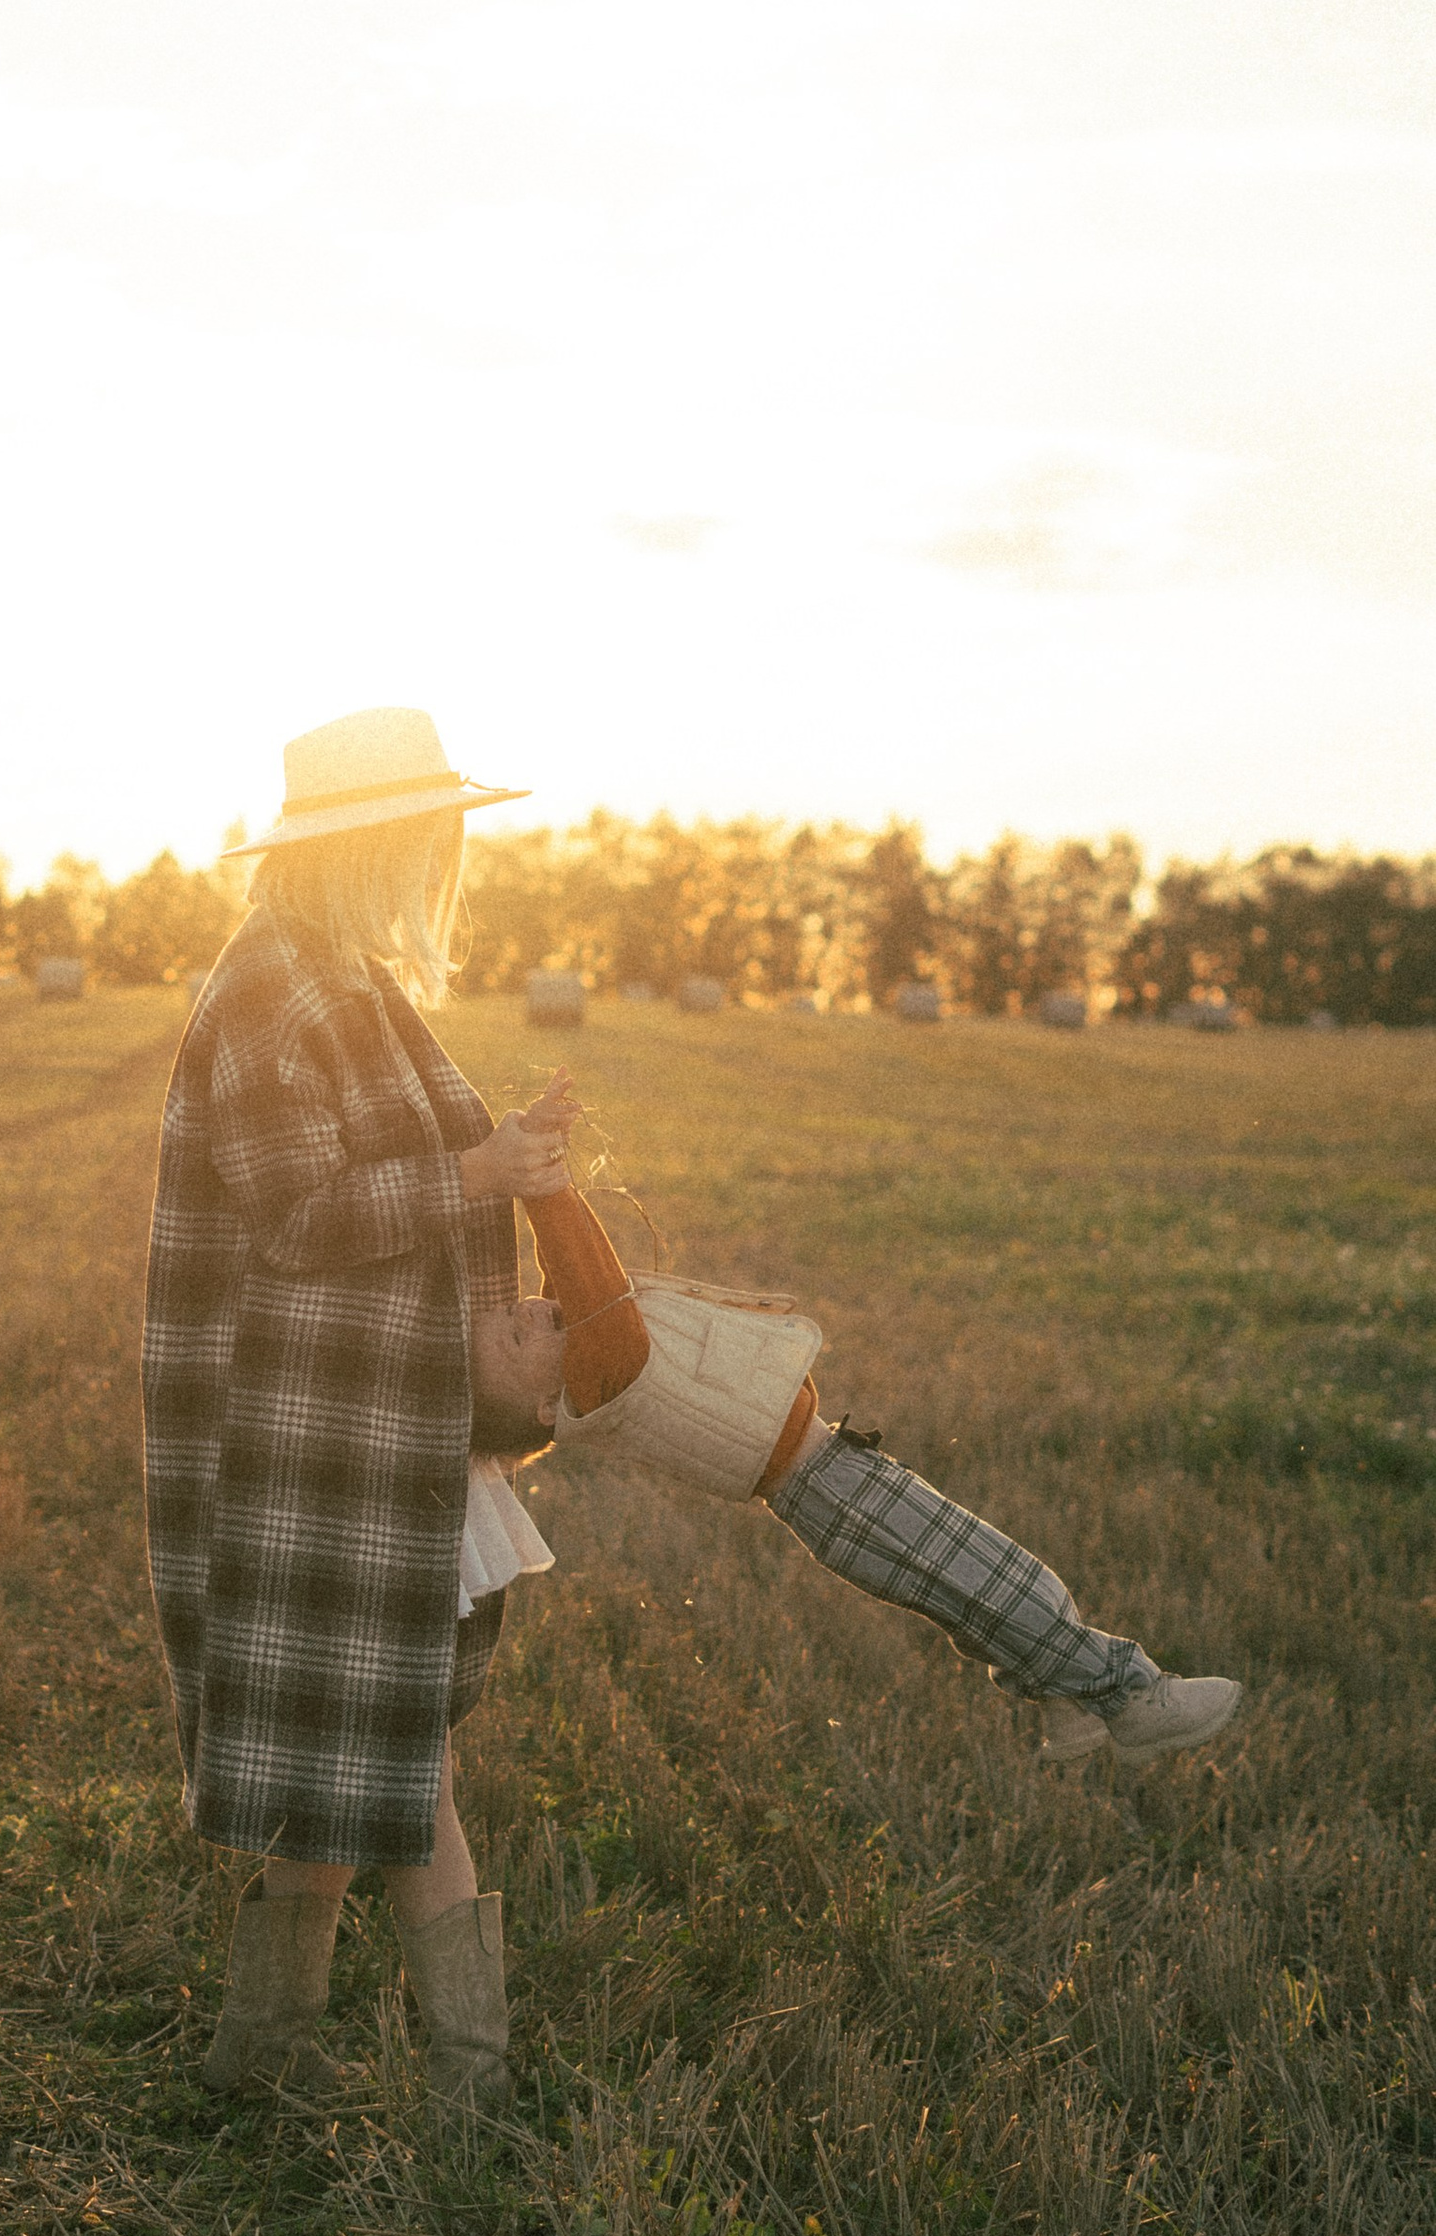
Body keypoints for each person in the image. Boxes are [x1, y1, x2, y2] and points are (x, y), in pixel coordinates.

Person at [141, 706, 572, 2115]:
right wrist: (480, 1172)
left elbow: (397, 1174)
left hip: (372, 1436)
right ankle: (471, 2085)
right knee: (401, 1770)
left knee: (353, 1773)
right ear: (372, 843)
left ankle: (258, 2062)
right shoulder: (273, 987)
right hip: (315, 1444)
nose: (442, 860)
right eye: (429, 836)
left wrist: (510, 1158)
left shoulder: (341, 978)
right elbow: (300, 1215)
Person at [469, 1128, 1247, 1766]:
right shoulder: (603, 1373)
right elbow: (588, 1283)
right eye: (514, 1335)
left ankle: (1065, 1701)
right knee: (990, 1580)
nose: (530, 1311)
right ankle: (1130, 1698)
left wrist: (541, 1148)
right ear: (545, 1407)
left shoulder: (589, 1359)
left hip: (834, 1470)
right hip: (828, 1490)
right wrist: (544, 1184)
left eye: (514, 1310)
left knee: (977, 1581)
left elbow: (572, 1282)